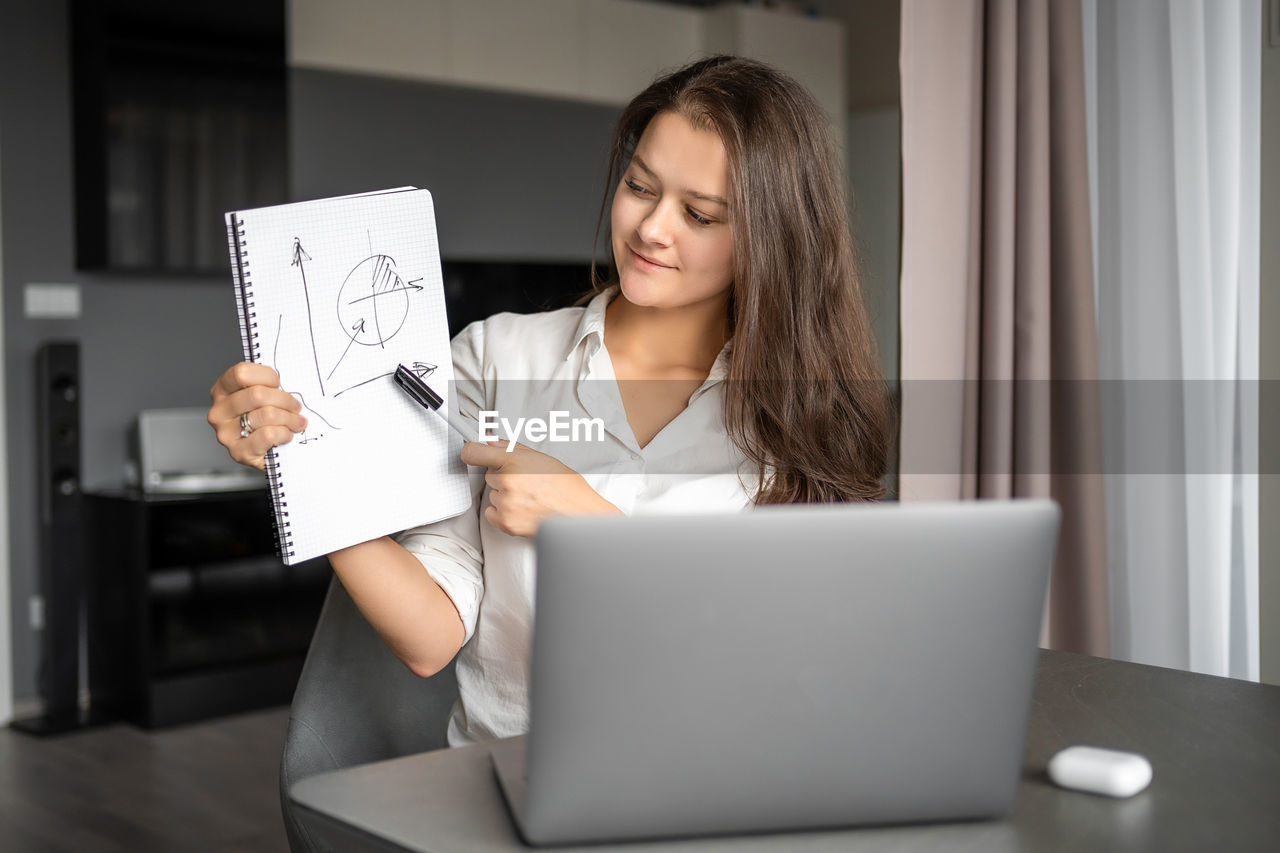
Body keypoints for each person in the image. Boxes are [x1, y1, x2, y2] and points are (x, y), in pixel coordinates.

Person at [207, 55, 892, 747]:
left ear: (770, 241)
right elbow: (430, 636)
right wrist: (301, 460)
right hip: (508, 785)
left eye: (699, 213)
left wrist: (594, 525)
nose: (653, 228)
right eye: (639, 186)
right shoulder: (494, 359)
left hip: (717, 781)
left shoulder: (798, 417)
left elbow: (786, 667)